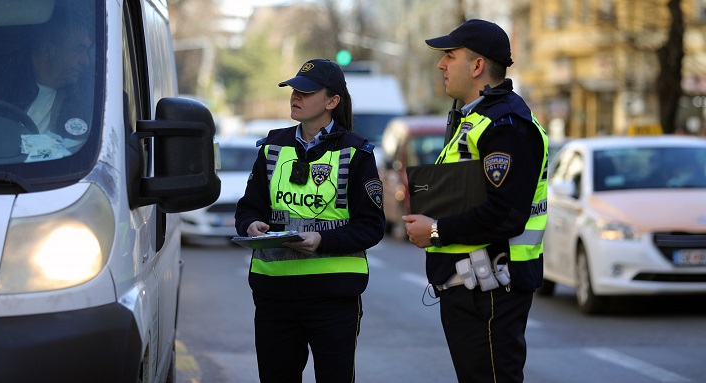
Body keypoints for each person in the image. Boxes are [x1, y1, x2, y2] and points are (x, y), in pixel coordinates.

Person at [402, 19, 548, 383]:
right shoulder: (478, 118)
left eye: (449, 55)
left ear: (477, 65)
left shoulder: (506, 125)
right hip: (475, 286)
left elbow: (506, 215)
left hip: (491, 288)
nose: (441, 64)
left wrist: (435, 230)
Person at [235, 59, 385, 383]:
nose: (295, 96)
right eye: (293, 90)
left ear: (332, 102)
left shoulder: (356, 153)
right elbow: (248, 208)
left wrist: (322, 241)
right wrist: (250, 225)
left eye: (306, 91)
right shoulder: (272, 147)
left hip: (333, 300)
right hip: (274, 297)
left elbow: (372, 226)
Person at [0, 3, 93, 140]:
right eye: (78, 50)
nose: (86, 61)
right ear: (48, 49)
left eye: (86, 51)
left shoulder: (90, 95)